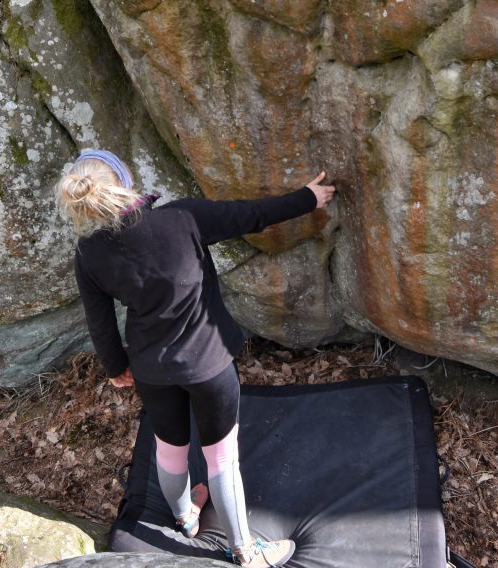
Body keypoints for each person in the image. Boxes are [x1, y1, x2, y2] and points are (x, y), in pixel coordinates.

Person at [56, 149, 335, 568]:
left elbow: (100, 321)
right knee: (221, 457)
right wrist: (309, 198)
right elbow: (252, 215)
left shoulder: (89, 253)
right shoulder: (183, 218)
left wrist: (116, 367)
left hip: (152, 369)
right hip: (209, 364)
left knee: (169, 449)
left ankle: (186, 517)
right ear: (123, 182)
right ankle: (246, 552)